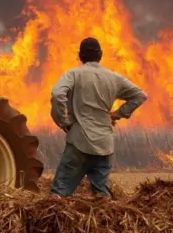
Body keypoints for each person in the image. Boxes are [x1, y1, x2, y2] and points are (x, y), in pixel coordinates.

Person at [49, 37, 148, 198]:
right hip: (104, 145)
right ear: (100, 55)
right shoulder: (114, 78)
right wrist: (118, 114)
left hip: (79, 141)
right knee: (101, 199)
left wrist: (63, 121)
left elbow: (57, 94)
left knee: (58, 195)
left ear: (80, 56)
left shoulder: (73, 75)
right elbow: (140, 95)